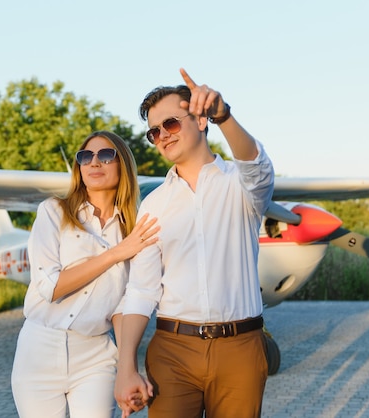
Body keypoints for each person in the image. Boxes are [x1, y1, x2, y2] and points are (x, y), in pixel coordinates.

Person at [114, 69, 275, 418]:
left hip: (241, 348)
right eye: (154, 132)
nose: (161, 137)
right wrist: (125, 367)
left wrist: (225, 115)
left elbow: (257, 166)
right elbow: (142, 289)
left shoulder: (241, 186)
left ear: (201, 121)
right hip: (171, 350)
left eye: (170, 124)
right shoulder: (154, 204)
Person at [11, 130, 159, 418]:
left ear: (123, 166)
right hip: (38, 350)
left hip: (96, 356)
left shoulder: (133, 231)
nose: (94, 162)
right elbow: (50, 287)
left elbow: (123, 306)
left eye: (106, 155)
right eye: (85, 156)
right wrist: (115, 254)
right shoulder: (53, 212)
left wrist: (128, 369)